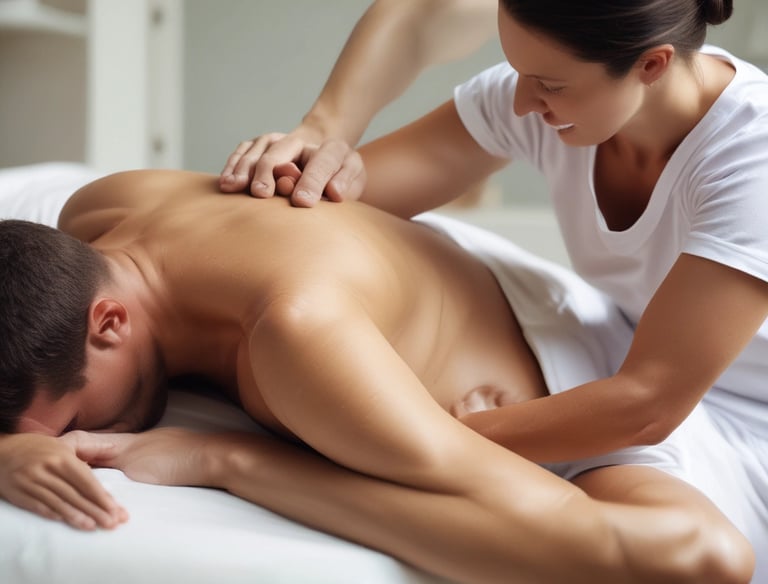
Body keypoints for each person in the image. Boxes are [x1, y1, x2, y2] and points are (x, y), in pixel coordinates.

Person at [220, 1, 768, 579]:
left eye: (549, 84)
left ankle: (241, 467)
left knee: (674, 557)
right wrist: (300, 161)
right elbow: (341, 204)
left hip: (739, 420)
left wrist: (448, 437)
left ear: (652, 65)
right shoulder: (546, 98)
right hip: (629, 360)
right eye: (518, 71)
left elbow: (649, 404)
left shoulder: (750, 159)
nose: (523, 101)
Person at [0, 169, 753, 583]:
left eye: (71, 424)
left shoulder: (296, 335)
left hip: (566, 396)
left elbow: (541, 520)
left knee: (695, 564)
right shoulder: (102, 207)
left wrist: (232, 462)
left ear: (109, 323)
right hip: (466, 284)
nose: (76, 443)